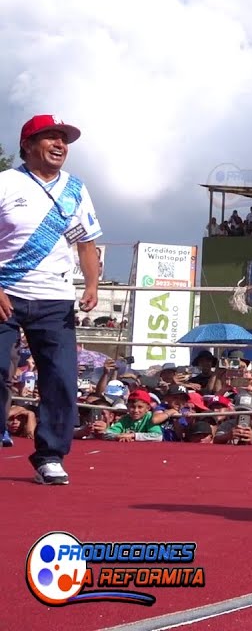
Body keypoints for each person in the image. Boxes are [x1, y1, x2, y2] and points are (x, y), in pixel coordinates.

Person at [0, 114, 102, 484]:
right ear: (27, 144)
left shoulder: (76, 189)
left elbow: (86, 242)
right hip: (5, 293)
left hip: (56, 299)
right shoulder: (6, 183)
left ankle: (49, 455)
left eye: (65, 139)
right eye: (50, 138)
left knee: (60, 378)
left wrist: (91, 285)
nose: (60, 145)